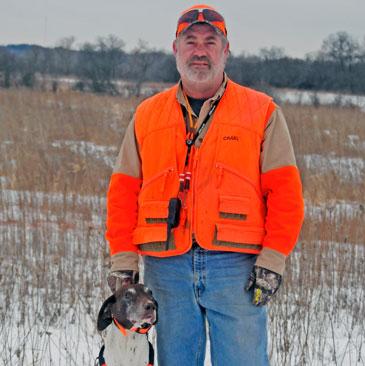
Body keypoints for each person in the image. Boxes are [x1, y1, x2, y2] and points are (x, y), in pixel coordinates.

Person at [105, 4, 304, 365]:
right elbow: (123, 193)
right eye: (190, 41)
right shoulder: (147, 115)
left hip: (237, 269)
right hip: (167, 267)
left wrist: (272, 260)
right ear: (175, 49)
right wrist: (123, 260)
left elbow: (286, 195)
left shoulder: (262, 112)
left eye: (210, 41)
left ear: (226, 50)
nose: (200, 50)